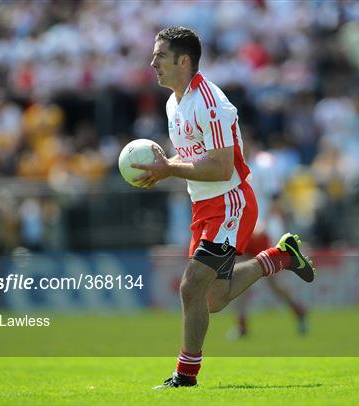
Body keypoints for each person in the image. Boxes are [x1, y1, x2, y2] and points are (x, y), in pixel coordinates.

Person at [132, 27, 315, 389]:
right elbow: (193, 158)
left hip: (229, 201)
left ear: (184, 61)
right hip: (203, 205)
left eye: (160, 56)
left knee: (190, 287)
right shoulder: (174, 102)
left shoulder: (210, 101)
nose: (152, 62)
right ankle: (279, 256)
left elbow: (221, 166)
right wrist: (165, 167)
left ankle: (185, 376)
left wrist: (168, 169)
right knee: (212, 300)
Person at [229, 147, 308, 340]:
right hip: (242, 230)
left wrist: (265, 222)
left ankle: (297, 310)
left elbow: (275, 197)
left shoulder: (263, 164)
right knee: (237, 276)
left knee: (270, 281)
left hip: (260, 230)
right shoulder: (232, 167)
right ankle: (242, 325)